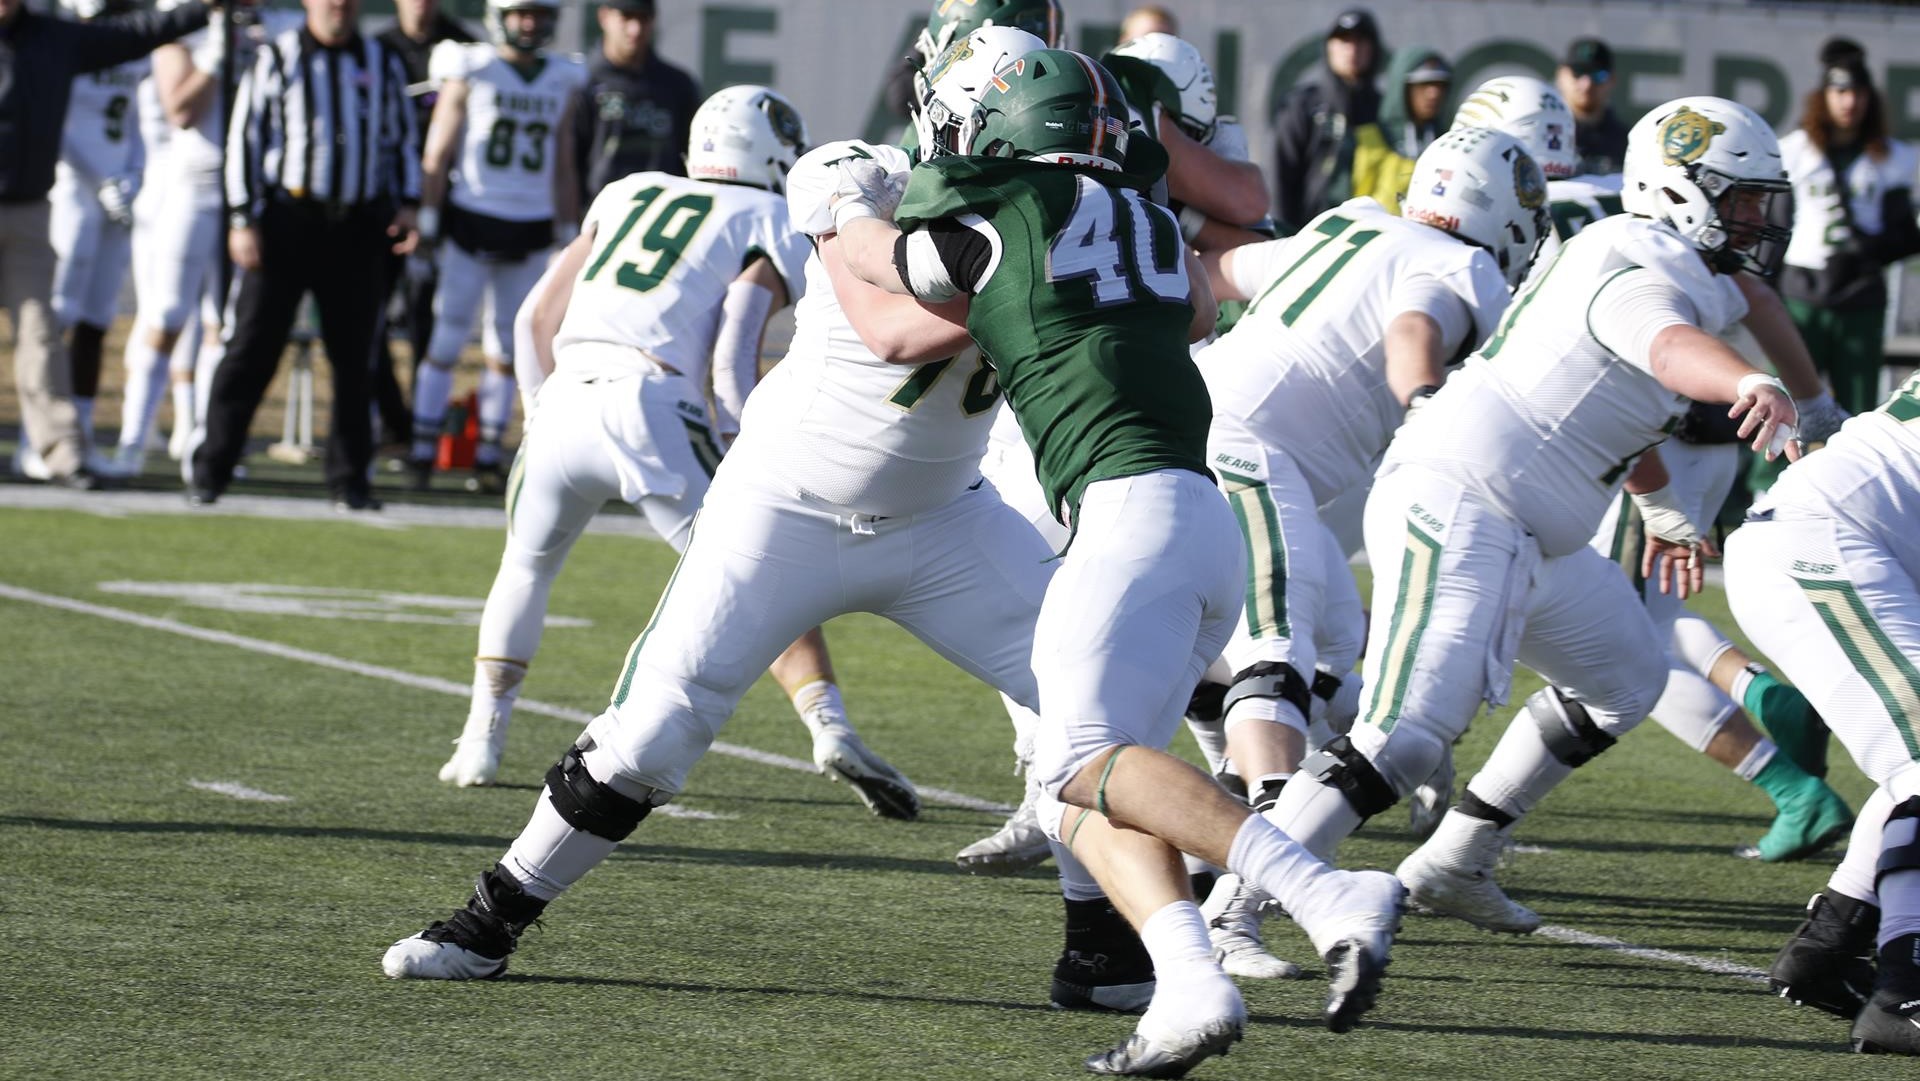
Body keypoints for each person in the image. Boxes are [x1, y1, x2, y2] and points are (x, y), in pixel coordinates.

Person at [381, 27, 1054, 990]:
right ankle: (490, 920)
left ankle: (1132, 940)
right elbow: (895, 304)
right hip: (788, 497)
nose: (1067, 149)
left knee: (1103, 695)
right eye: (1044, 124)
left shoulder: (1074, 213)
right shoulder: (854, 177)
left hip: (948, 511)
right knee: (655, 728)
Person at [837, 44, 1404, 1074]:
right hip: (1193, 522)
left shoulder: (1004, 208)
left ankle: (1326, 891)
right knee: (1081, 792)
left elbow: (890, 282)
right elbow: (1192, 307)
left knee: (1074, 759)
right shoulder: (1146, 215)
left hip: (1128, 514)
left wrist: (833, 206)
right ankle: (1188, 984)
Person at [1267, 97, 1803, 935]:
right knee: (1402, 739)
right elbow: (1662, 346)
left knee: (1629, 676)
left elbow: (1615, 410)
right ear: (1679, 191)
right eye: (1736, 197)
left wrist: (1661, 508)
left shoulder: (1663, 263)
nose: (1752, 217)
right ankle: (1234, 907)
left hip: (1529, 522)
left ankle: (1454, 858)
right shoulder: (1639, 262)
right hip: (1467, 496)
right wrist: (1746, 380)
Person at [435, 85, 917, 825]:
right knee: (762, 563)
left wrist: (538, 413)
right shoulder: (765, 214)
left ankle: (480, 740)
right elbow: (732, 347)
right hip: (654, 403)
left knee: (526, 568)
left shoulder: (627, 190)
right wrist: (755, 433)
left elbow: (535, 316)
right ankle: (831, 730)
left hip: (565, 392)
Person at [1456, 75, 1855, 861]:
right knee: (1649, 615)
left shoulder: (1572, 220)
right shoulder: (1626, 205)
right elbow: (1758, 299)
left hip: (1627, 433)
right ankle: (1752, 688)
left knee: (1623, 641)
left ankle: (1786, 784)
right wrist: (1814, 405)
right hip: (1705, 431)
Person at [1186, 125, 1541, 977]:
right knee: (1277, 653)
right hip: (1248, 450)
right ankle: (1252, 892)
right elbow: (1417, 327)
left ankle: (1221, 827)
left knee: (1336, 658)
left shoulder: (1353, 222)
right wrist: (1424, 403)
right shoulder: (1465, 267)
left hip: (1216, 425)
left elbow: (1218, 276)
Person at [1726, 372, 1920, 1055]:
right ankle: (1906, 989)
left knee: (1912, 768)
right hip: (1827, 548)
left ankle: (1829, 946)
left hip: (1838, 545)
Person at [192, 0, 420, 511]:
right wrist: (242, 218)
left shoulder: (382, 61)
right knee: (252, 347)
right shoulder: (279, 56)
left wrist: (408, 204)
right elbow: (245, 138)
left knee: (356, 358)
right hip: (286, 222)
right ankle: (212, 468)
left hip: (358, 225)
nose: (337, 5)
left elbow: (402, 137)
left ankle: (350, 480)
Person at [0, 0, 211, 489]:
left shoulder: (55, 37)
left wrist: (204, 9)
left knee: (42, 331)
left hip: (30, 207)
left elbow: (139, 33)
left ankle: (61, 451)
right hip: (70, 193)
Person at [406, 0, 583, 492]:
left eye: (539, 14)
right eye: (521, 13)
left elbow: (564, 161)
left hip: (530, 224)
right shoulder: (471, 66)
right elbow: (438, 151)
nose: (530, 23)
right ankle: (422, 449)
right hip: (471, 217)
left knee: (509, 343)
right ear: (499, 16)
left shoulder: (562, 78)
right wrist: (427, 217)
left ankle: (488, 454)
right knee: (447, 337)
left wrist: (568, 233)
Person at [1774, 50, 1920, 418]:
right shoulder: (1796, 150)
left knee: (1856, 410)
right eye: (1840, 91)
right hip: (1802, 291)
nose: (1849, 102)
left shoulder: (1891, 157)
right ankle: (1768, 478)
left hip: (1860, 292)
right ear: (1823, 96)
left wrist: (1869, 250)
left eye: (1858, 92)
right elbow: (1775, 224)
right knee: (1786, 403)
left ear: (1870, 99)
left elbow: (1904, 236)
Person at [45, 0, 148, 473]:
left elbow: (140, 123)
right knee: (59, 311)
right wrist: (99, 177)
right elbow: (54, 122)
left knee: (97, 315)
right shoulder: (63, 46)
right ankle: (42, 433)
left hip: (118, 191)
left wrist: (133, 175)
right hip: (74, 188)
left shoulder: (132, 48)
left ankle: (81, 435)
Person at [372, 0, 479, 449]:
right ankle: (393, 420)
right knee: (368, 320)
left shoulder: (465, 48)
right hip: (387, 202)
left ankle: (423, 427)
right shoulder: (377, 48)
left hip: (442, 205)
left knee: (429, 324)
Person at [571, 0, 699, 207]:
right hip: (601, 215)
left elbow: (692, 158)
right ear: (604, 17)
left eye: (643, 19)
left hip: (662, 216)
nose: (635, 29)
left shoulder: (677, 85)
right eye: (626, 17)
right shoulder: (583, 81)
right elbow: (568, 164)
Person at [1271, 8, 1381, 234]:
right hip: (1308, 233)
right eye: (1343, 41)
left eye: (1360, 42)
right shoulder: (1301, 105)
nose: (1352, 50)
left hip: (1371, 236)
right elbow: (1284, 177)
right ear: (1329, 47)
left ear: (1373, 50)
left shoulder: (1385, 110)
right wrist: (1287, 236)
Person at [1556, 37, 1628, 176]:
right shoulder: (1543, 134)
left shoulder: (1629, 142)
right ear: (1561, 75)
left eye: (1598, 75)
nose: (1587, 84)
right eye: (1578, 72)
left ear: (1613, 79)